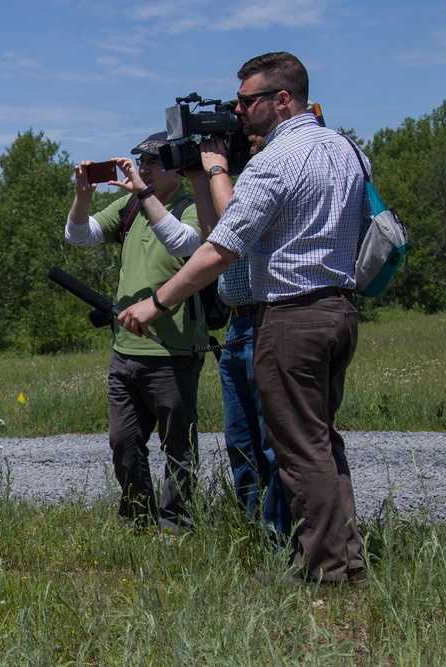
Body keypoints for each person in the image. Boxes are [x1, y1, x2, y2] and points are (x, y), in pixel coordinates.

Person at [118, 52, 368, 585]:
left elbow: (220, 247)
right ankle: (344, 559)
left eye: (247, 100)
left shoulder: (278, 159)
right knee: (322, 441)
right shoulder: (344, 147)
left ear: (282, 99)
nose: (238, 111)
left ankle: (323, 570)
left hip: (293, 316)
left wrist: (156, 302)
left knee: (298, 449)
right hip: (339, 310)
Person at [64, 132, 209, 532]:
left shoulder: (194, 206)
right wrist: (83, 197)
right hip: (125, 349)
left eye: (153, 162)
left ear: (178, 170)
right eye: (140, 161)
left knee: (178, 447)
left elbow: (184, 244)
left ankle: (176, 525)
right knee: (123, 443)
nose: (142, 168)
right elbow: (78, 236)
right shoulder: (129, 206)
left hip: (174, 347)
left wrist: (146, 195)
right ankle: (139, 521)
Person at [198, 135, 292, 540]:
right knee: (240, 439)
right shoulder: (226, 189)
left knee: (274, 439)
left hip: (265, 318)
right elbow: (214, 235)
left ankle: (282, 537)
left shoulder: (263, 177)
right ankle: (253, 527)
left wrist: (217, 171)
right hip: (237, 325)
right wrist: (199, 179)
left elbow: (239, 231)